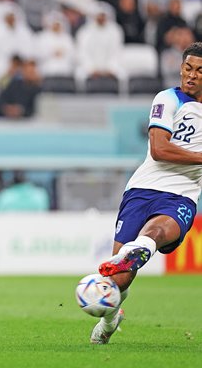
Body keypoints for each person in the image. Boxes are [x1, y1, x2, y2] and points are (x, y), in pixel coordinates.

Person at [91, 42, 202, 345]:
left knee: (154, 232)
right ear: (180, 68)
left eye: (200, 71)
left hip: (181, 197)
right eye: (187, 68)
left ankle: (141, 248)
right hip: (143, 189)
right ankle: (111, 320)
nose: (191, 75)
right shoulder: (167, 99)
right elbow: (160, 148)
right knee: (118, 282)